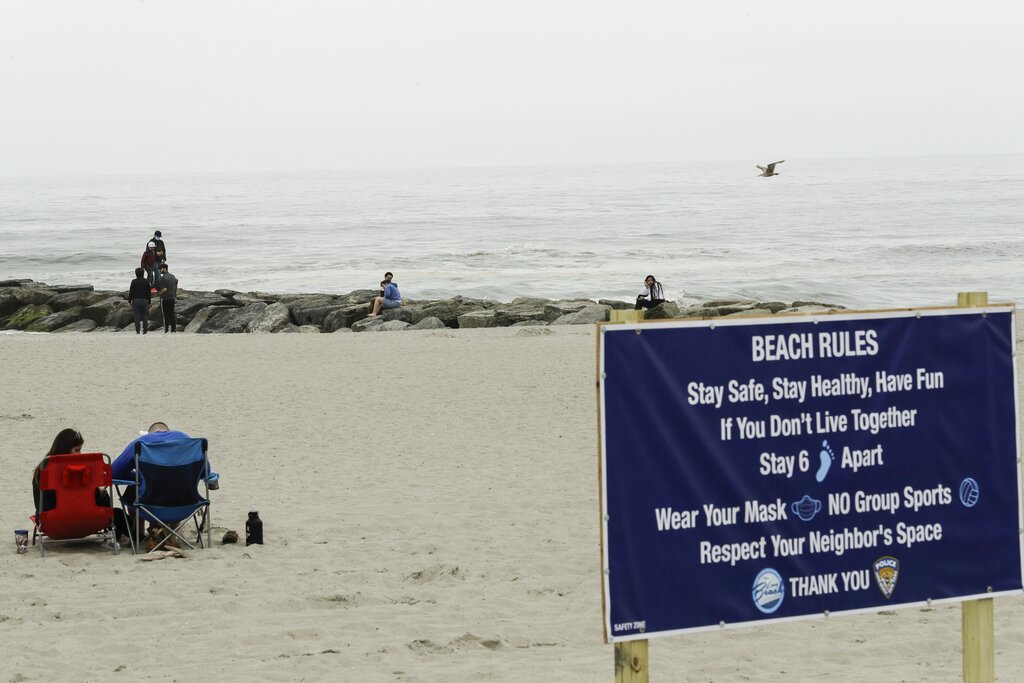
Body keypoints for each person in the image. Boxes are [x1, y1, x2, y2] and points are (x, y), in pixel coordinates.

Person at [32, 428, 130, 539]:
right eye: (77, 450)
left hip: (52, 523)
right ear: (64, 449)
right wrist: (98, 493)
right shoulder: (83, 468)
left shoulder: (44, 468)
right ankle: (138, 538)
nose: (80, 453)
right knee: (113, 509)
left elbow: (41, 504)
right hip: (87, 519)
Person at [128, 267, 152, 334]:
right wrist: (149, 301)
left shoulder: (134, 281)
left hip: (136, 300)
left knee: (137, 316)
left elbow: (131, 292)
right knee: (145, 316)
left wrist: (129, 301)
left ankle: (138, 331)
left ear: (136, 274)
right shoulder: (146, 281)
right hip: (144, 300)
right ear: (143, 273)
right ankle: (145, 330)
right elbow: (149, 292)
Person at [157, 262, 178, 333]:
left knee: (165, 315)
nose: (159, 270)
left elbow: (165, 289)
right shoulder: (173, 276)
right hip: (172, 298)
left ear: (164, 269)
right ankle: (173, 329)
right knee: (171, 314)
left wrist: (159, 293)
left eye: (160, 269)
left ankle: (166, 329)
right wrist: (175, 296)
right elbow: (175, 287)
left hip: (165, 299)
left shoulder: (163, 278)